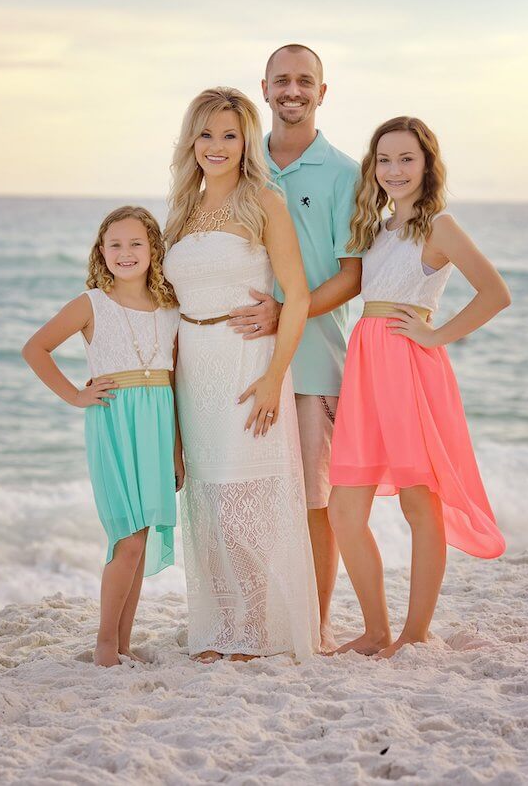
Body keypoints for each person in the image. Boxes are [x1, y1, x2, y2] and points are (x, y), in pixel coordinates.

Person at [328, 116, 509, 659]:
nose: (394, 170)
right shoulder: (376, 229)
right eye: (384, 159)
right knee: (344, 510)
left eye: (407, 158)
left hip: (409, 365)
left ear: (427, 164)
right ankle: (376, 630)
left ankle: (415, 632)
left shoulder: (441, 227)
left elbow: (495, 294)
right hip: (365, 367)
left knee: (418, 506)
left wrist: (434, 335)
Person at [163, 86, 320, 663]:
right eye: (206, 133)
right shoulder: (181, 208)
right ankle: (224, 626)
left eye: (229, 134)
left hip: (247, 363)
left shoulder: (265, 202)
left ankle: (255, 630)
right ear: (192, 140)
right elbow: (167, 306)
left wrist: (276, 377)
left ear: (246, 140)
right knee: (206, 506)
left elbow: (298, 296)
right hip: (193, 366)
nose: (217, 145)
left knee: (241, 505)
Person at [227, 44, 361, 652]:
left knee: (315, 499)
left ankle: (319, 620)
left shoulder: (345, 173)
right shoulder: (238, 163)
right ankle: (255, 618)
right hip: (242, 359)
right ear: (264, 88)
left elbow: (351, 274)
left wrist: (288, 311)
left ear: (323, 92)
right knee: (251, 495)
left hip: (314, 361)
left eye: (305, 80)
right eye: (282, 80)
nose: (293, 90)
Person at [22, 206, 182, 667]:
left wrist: (176, 450)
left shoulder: (170, 308)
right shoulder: (91, 303)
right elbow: (35, 348)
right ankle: (104, 645)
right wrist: (74, 395)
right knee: (126, 538)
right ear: (101, 251)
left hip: (157, 423)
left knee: (142, 535)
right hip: (113, 422)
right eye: (115, 244)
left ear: (153, 249)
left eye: (136, 244)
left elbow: (173, 380)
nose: (125, 253)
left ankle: (124, 642)